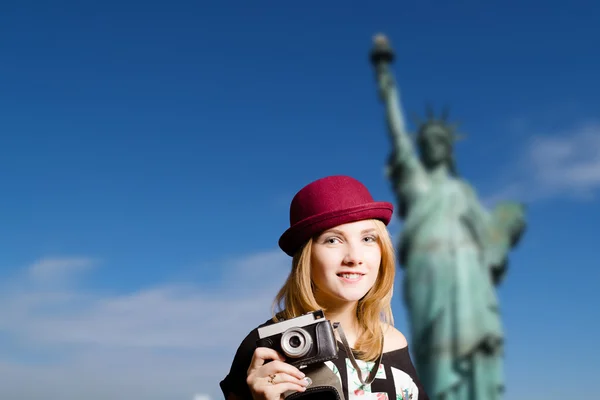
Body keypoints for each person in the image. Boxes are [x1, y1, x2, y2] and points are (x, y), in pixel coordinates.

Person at [220, 175, 429, 400]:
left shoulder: (394, 341)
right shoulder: (264, 347)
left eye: (368, 239)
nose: (354, 257)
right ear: (306, 257)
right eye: (333, 240)